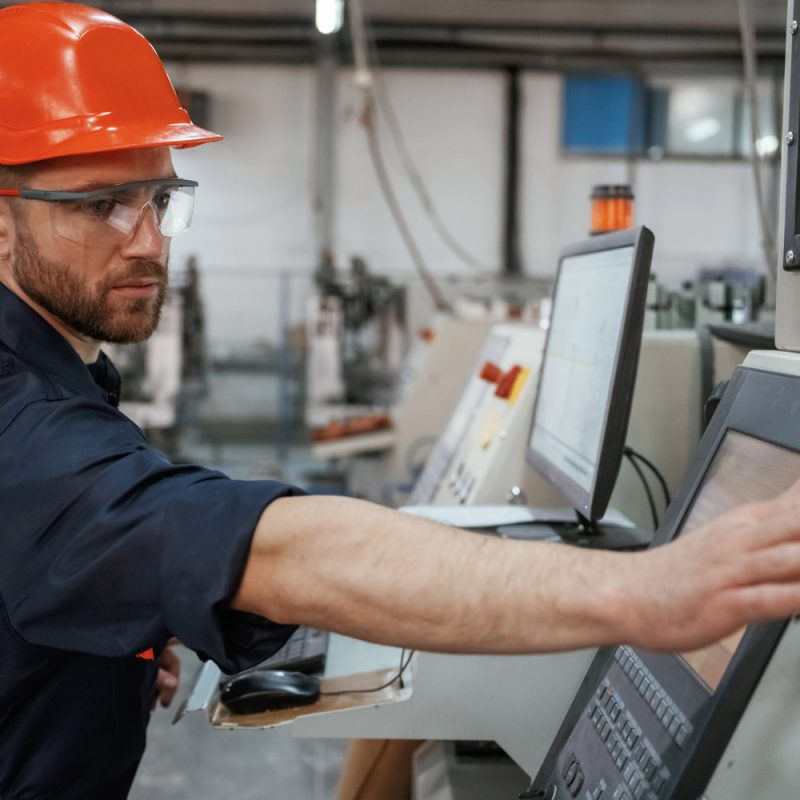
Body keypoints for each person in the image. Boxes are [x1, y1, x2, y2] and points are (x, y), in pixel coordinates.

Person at [2, 4, 800, 798]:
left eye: (160, 199)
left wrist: (117, 646)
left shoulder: (64, 371)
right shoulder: (23, 424)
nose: (149, 240)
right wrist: (645, 591)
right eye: (100, 205)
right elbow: (275, 553)